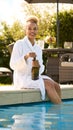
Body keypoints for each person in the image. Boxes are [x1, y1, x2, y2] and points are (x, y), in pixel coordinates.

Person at [10, 16, 61, 104]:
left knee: (56, 85)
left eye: (35, 29)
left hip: (34, 77)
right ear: (25, 30)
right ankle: (60, 110)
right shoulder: (19, 44)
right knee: (49, 85)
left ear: (37, 31)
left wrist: (38, 66)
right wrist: (26, 57)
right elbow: (13, 65)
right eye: (29, 29)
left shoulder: (38, 48)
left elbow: (41, 69)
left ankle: (57, 113)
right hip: (22, 78)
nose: (32, 31)